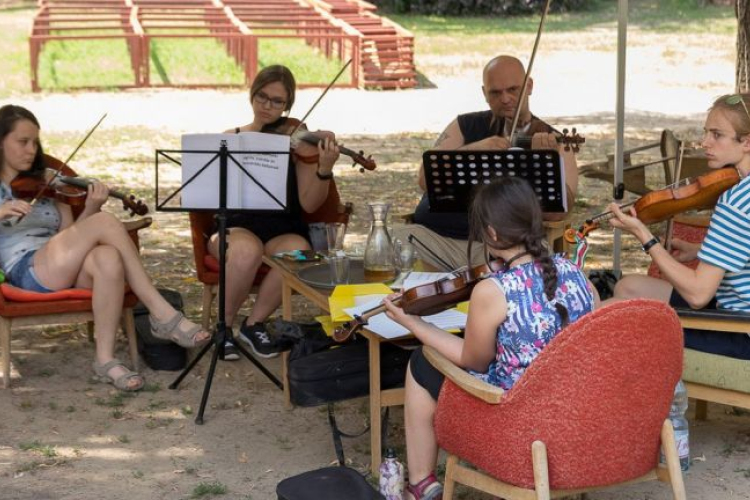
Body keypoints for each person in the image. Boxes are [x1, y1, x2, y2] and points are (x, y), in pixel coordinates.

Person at [383, 177, 598, 499]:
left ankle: (421, 483)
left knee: (421, 362)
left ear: (493, 233)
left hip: (516, 417)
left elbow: (475, 360)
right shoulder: (574, 271)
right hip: (572, 411)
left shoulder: (494, 290)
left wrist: (416, 325)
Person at [0, 104, 211, 391]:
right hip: (27, 270)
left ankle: (105, 359)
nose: (31, 150)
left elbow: (69, 236)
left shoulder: (48, 181)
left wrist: (91, 206)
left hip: (59, 262)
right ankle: (162, 314)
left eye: (35, 142)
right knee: (106, 223)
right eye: (22, 141)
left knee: (108, 257)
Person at [392, 55, 578, 270]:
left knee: (529, 258)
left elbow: (559, 213)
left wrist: (545, 166)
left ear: (529, 86)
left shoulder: (552, 139)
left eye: (513, 89)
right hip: (437, 242)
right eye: (495, 93)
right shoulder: (464, 125)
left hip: (502, 250)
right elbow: (425, 179)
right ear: (484, 93)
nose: (506, 99)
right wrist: (474, 149)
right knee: (391, 239)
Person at [608, 93, 750, 360]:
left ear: (747, 142)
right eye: (706, 132)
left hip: (737, 332)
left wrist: (644, 235)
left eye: (717, 135)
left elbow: (698, 295)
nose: (704, 142)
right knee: (629, 288)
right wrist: (698, 250)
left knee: (616, 314)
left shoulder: (736, 202)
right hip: (735, 314)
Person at [215, 65, 340, 360]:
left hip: (282, 227)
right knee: (246, 250)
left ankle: (254, 323)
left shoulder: (297, 144)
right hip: (236, 225)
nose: (267, 106)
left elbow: (309, 204)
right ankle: (224, 328)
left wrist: (324, 169)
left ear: (288, 105)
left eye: (277, 102)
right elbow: (212, 192)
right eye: (262, 97)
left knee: (300, 253)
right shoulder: (231, 137)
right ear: (252, 94)